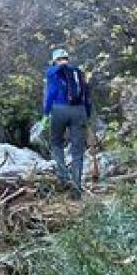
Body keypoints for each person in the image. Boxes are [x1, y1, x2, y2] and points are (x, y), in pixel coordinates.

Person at [43, 47, 93, 194]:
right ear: (67, 59)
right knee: (77, 151)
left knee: (56, 143)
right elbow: (87, 96)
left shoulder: (52, 72)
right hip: (80, 111)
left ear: (54, 61)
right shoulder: (78, 72)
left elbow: (51, 93)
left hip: (59, 109)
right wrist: (86, 116)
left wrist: (46, 113)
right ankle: (76, 189)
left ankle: (64, 178)